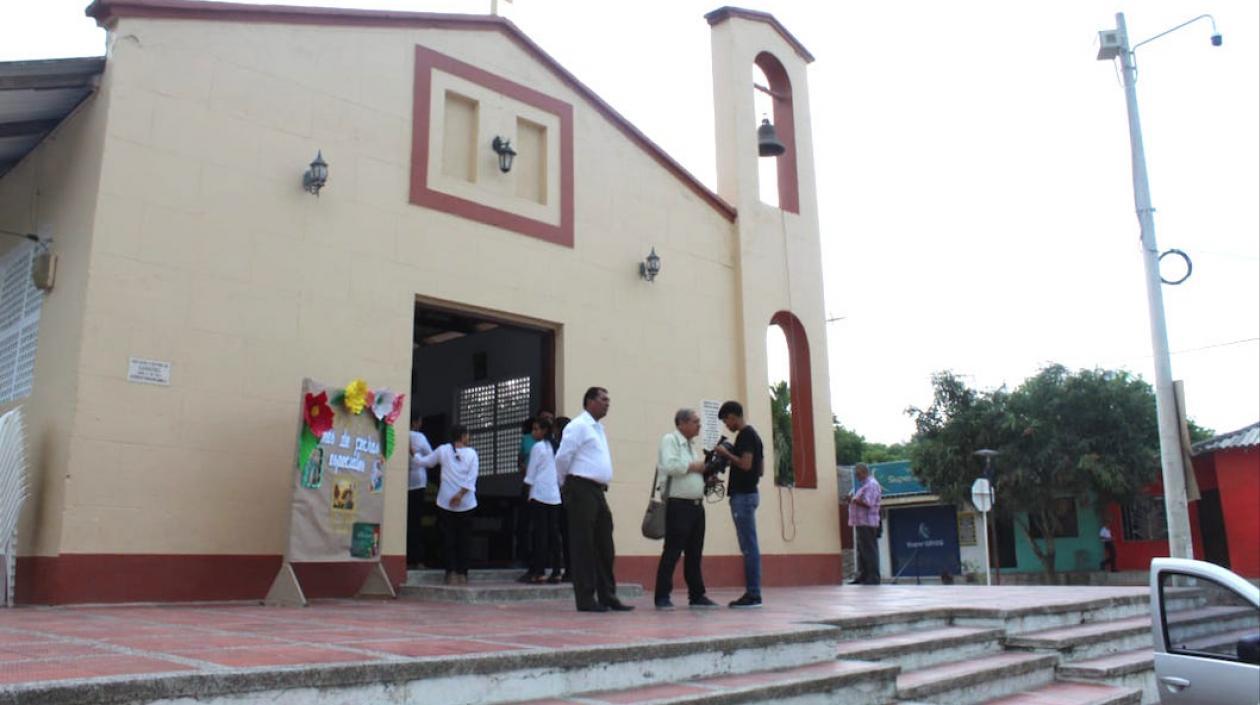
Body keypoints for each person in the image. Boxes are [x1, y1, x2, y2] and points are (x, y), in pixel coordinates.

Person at [555, 387, 634, 612]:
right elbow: (562, 457)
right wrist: (565, 484)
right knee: (583, 545)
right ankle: (586, 599)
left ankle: (608, 595)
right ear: (589, 401)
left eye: (609, 399)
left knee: (604, 545)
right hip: (580, 488)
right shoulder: (579, 426)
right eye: (603, 399)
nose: (608, 403)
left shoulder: (598, 428)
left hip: (598, 491)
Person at [653, 409, 718, 609]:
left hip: (696, 506)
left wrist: (707, 476)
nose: (699, 425)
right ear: (681, 423)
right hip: (678, 505)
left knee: (695, 553)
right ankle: (662, 596)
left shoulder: (692, 446)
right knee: (672, 551)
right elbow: (671, 465)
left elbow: (692, 469)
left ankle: (697, 595)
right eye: (695, 421)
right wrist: (697, 467)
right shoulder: (670, 440)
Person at [414, 424, 478, 585]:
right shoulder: (472, 454)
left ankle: (450, 572)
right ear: (463, 436)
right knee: (464, 539)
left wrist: (414, 453)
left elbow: (426, 463)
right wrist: (461, 495)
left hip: (445, 502)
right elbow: (472, 478)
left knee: (448, 538)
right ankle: (463, 573)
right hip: (466, 503)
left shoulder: (443, 450)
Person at [715, 400, 764, 609]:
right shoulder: (755, 436)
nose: (727, 425)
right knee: (749, 545)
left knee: (748, 546)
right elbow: (759, 470)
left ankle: (753, 594)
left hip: (743, 496)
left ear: (733, 416)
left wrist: (726, 454)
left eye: (726, 421)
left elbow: (746, 464)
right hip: (751, 494)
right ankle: (753, 592)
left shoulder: (745, 435)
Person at [521, 416, 564, 584]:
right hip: (554, 496)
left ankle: (539, 571)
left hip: (539, 494)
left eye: (536, 429)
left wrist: (526, 489)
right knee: (554, 534)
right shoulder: (556, 447)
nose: (534, 432)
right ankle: (556, 571)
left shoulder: (538, 448)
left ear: (544, 431)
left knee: (540, 534)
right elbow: (561, 473)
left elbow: (531, 473)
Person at [845, 463, 882, 585]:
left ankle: (873, 577)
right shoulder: (863, 485)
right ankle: (863, 576)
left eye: (858, 474)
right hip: (861, 522)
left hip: (868, 522)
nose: (857, 476)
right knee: (862, 551)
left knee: (869, 550)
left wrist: (853, 500)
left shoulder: (871, 485)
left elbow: (868, 503)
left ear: (864, 472)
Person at [407, 415, 433, 569]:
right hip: (418, 482)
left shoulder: (399, 434)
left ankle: (407, 556)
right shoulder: (419, 436)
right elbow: (431, 458)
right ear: (416, 422)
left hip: (402, 482)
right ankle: (418, 559)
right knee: (416, 522)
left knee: (405, 521)